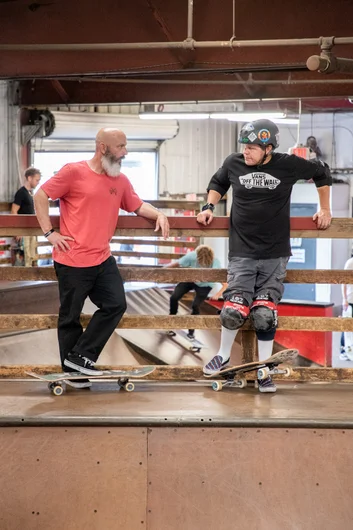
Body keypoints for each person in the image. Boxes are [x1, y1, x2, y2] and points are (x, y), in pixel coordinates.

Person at [197, 119, 332, 392]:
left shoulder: (288, 164)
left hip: (275, 253)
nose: (245, 152)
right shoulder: (234, 162)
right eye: (244, 147)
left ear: (268, 148)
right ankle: (223, 355)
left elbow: (322, 172)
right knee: (233, 311)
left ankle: (265, 369)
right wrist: (209, 205)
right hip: (242, 251)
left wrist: (325, 209)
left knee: (264, 314)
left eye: (252, 148)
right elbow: (219, 181)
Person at [34, 128, 169, 389]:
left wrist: (159, 214)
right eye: (120, 147)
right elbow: (40, 194)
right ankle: (75, 374)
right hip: (72, 260)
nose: (125, 152)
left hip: (102, 259)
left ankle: (80, 357)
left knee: (116, 304)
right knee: (70, 317)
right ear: (103, 148)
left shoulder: (120, 180)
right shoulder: (73, 172)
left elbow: (137, 205)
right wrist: (49, 233)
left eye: (125, 146)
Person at [165, 245, 226, 339]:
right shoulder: (192, 256)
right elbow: (176, 264)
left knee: (195, 305)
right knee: (174, 297)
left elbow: (225, 284)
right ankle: (171, 322)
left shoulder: (215, 263)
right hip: (191, 279)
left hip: (206, 284)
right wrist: (161, 271)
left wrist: (218, 294)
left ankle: (191, 332)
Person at [11, 167, 41, 267]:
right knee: (26, 255)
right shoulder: (21, 193)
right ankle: (24, 280)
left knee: (32, 254)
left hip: (31, 229)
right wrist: (18, 231)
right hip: (24, 229)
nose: (38, 182)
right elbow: (14, 210)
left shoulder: (30, 193)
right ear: (29, 178)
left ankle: (31, 280)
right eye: (36, 180)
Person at [341, 252, 353, 361]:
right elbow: (343, 282)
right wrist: (344, 299)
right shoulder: (350, 263)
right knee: (346, 325)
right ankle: (343, 350)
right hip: (350, 299)